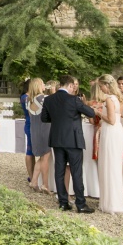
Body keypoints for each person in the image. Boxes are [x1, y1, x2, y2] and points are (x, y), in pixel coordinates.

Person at [41, 75, 96, 213]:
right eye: (74, 86)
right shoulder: (74, 99)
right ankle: (81, 204)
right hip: (73, 139)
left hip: (57, 139)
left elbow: (44, 118)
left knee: (59, 171)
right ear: (70, 86)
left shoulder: (49, 99)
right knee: (76, 171)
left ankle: (63, 203)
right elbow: (90, 113)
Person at [92, 74, 123, 214]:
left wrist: (98, 112)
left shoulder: (109, 99)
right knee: (114, 166)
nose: (100, 88)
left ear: (106, 85)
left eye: (101, 86)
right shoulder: (118, 98)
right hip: (117, 132)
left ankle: (111, 202)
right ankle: (113, 200)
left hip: (111, 132)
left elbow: (111, 120)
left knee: (109, 165)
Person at [27, 78, 52, 194]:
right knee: (45, 157)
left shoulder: (28, 100)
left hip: (34, 130)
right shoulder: (44, 98)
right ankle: (45, 185)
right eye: (42, 83)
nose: (44, 85)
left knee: (41, 158)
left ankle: (34, 181)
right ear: (38, 86)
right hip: (45, 129)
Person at [20, 80, 34, 183]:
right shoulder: (26, 98)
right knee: (29, 151)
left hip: (30, 124)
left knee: (31, 151)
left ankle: (33, 174)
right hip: (30, 124)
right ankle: (31, 175)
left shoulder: (27, 97)